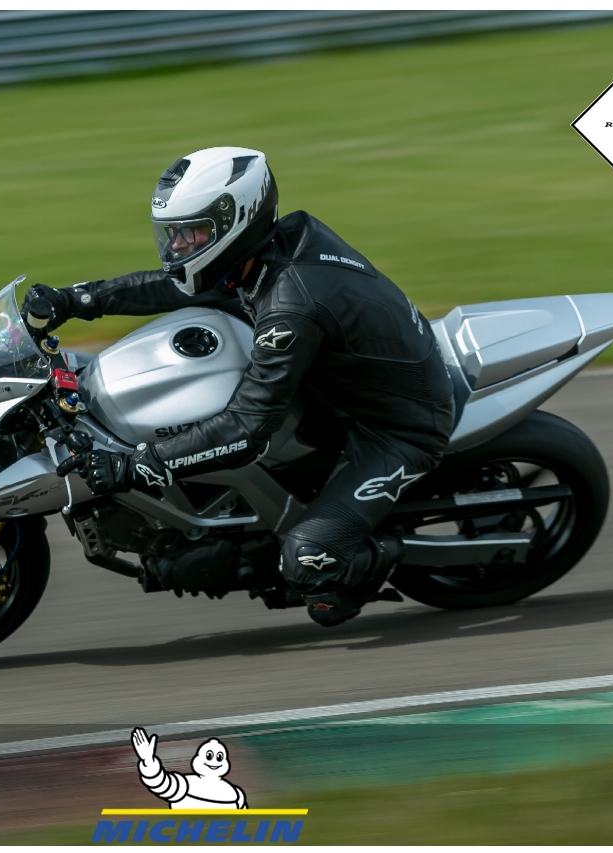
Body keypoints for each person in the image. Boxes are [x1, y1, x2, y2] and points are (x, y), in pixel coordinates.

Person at [24, 146, 455, 627]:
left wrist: (135, 465)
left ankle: (370, 562)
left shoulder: (290, 307)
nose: (177, 248)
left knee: (307, 563)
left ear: (237, 221)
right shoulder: (265, 251)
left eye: (192, 233)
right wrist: (77, 299)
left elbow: (246, 431)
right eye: (173, 234)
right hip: (335, 387)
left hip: (394, 427)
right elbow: (171, 287)